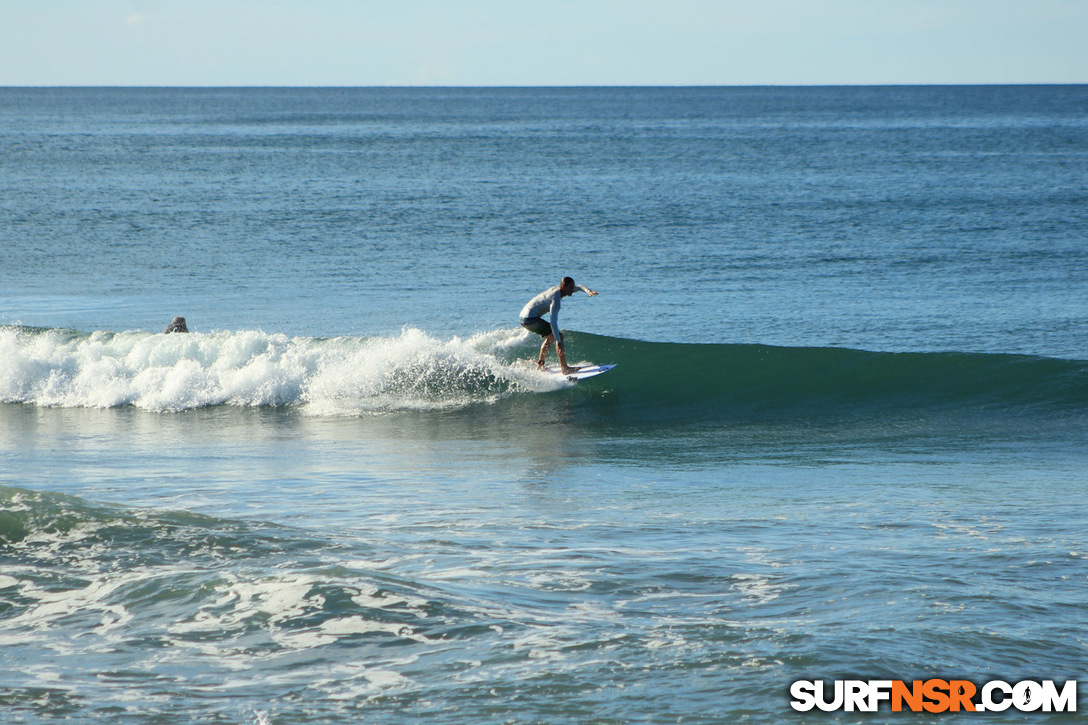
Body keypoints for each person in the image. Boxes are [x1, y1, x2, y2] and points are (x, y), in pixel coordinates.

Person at [519, 277, 598, 374]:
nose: (573, 290)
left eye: (572, 287)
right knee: (558, 336)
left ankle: (540, 365)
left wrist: (588, 291)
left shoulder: (557, 290)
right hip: (530, 319)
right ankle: (565, 368)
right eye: (570, 287)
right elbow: (553, 322)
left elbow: (580, 287)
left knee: (550, 336)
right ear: (564, 287)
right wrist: (558, 341)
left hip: (523, 317)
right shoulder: (555, 300)